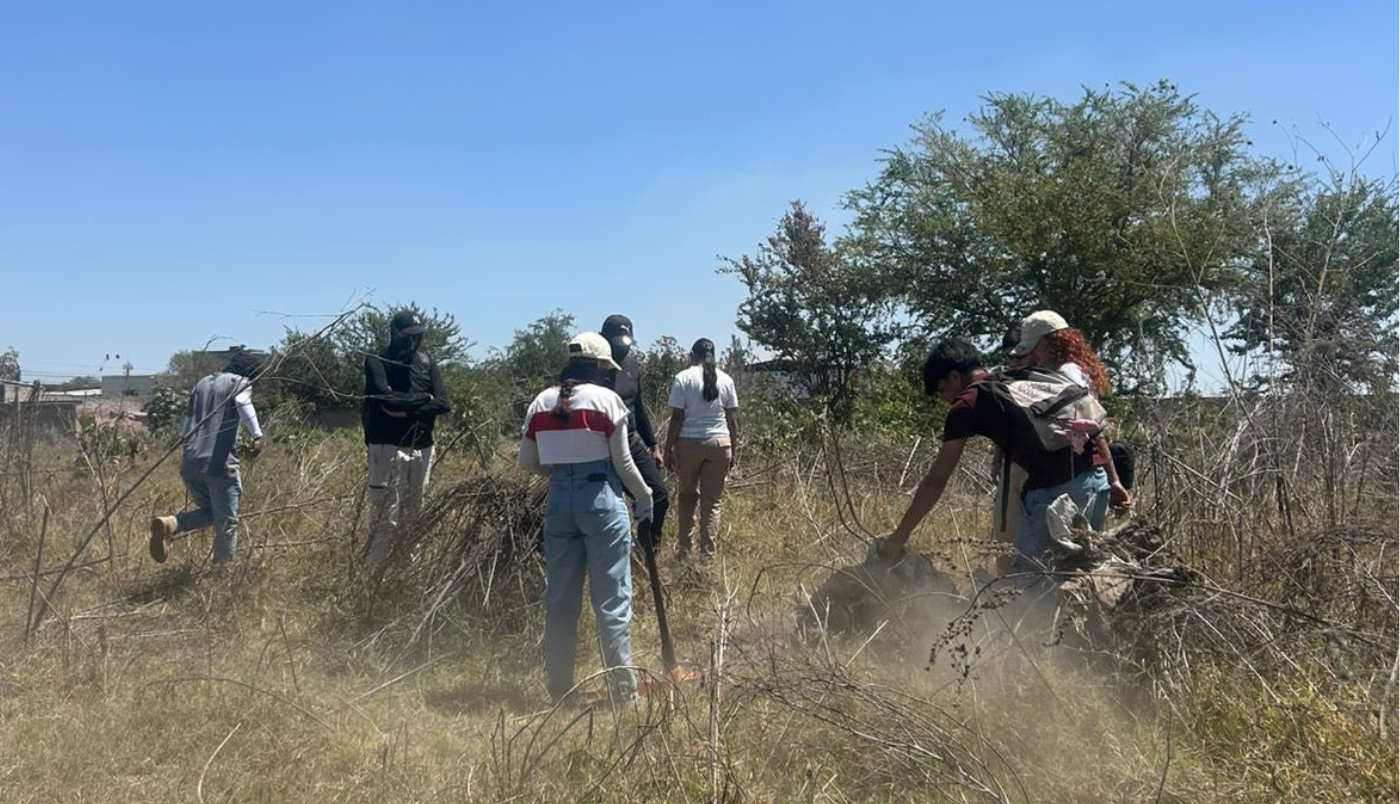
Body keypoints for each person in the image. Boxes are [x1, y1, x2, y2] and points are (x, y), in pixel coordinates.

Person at [878, 340, 1109, 581]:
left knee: (1035, 584)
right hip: (1094, 482)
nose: (945, 398)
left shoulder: (967, 404)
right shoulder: (1014, 379)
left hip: (1056, 496)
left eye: (942, 390)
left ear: (954, 377)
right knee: (1083, 578)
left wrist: (898, 537)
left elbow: (937, 480)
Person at [518, 332, 653, 705]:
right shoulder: (607, 400)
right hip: (602, 501)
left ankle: (560, 690)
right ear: (599, 366)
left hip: (559, 502)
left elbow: (527, 462)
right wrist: (644, 497)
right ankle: (622, 693)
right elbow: (624, 464)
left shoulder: (541, 401)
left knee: (560, 602)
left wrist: (564, 475)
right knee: (611, 602)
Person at [1009, 310, 1132, 522]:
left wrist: (1114, 480)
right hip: (1082, 478)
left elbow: (1091, 428)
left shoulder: (1066, 374)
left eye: (1035, 346)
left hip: (1075, 480)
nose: (1032, 354)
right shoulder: (1066, 371)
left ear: (1052, 342)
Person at [148, 350, 265, 565]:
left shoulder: (201, 384)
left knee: (212, 513)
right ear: (250, 373)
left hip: (191, 464)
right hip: (219, 465)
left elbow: (186, 426)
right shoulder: (239, 382)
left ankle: (171, 524)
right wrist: (257, 436)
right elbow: (242, 401)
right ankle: (222, 573)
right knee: (226, 524)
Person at [361, 309, 452, 567]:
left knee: (415, 515)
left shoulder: (426, 362)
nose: (413, 341)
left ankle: (409, 574)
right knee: (385, 517)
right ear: (395, 334)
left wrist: (406, 409)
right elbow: (387, 400)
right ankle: (374, 575)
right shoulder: (377, 362)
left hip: (422, 447)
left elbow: (444, 403)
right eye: (408, 336)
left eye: (418, 336)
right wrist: (424, 398)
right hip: (387, 447)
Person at [663, 338, 739, 559]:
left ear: (692, 355)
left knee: (687, 496)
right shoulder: (726, 379)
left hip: (689, 444)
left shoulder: (683, 378)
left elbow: (677, 417)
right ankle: (707, 557)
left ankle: (684, 551)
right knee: (712, 502)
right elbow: (732, 420)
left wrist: (668, 448)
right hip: (720, 444)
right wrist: (733, 450)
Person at [600, 314, 669, 547]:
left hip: (630, 440)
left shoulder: (630, 364)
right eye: (616, 342)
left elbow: (637, 407)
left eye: (626, 341)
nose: (621, 347)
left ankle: (647, 549)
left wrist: (653, 445)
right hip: (600, 444)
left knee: (658, 495)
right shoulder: (592, 366)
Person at [987, 327, 1029, 575]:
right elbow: (1002, 429)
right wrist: (997, 461)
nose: (1014, 361)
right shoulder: (1004, 383)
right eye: (1009, 356)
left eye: (1019, 355)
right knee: (1005, 533)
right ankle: (1004, 584)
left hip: (1042, 472)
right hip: (1012, 465)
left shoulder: (1049, 380)